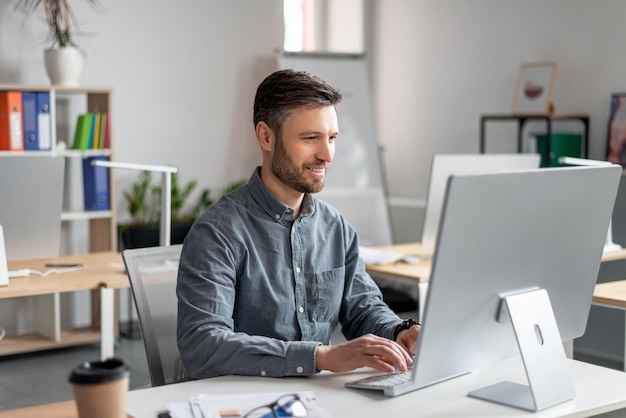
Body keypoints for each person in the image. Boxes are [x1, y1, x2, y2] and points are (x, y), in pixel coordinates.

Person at [176, 69, 420, 379]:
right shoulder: (218, 232)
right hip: (242, 401)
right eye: (310, 138)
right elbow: (203, 345)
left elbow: (363, 308)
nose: (326, 154)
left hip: (316, 399)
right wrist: (319, 357)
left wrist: (399, 331)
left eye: (332, 138)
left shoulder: (336, 229)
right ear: (266, 136)